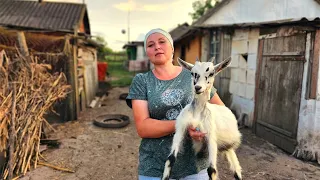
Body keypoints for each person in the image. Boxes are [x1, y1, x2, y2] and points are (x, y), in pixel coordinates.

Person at [126, 28, 225, 180]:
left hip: (195, 164)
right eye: (151, 45)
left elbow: (220, 111)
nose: (157, 47)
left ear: (172, 47)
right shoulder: (142, 81)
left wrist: (202, 125)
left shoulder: (195, 74)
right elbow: (143, 128)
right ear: (147, 52)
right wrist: (186, 124)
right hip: (155, 165)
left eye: (162, 42)